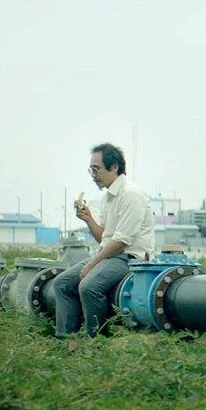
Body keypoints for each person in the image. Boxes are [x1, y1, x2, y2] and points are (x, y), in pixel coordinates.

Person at [54, 143, 154, 339]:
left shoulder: (131, 195)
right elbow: (105, 238)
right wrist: (88, 219)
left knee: (89, 286)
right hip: (111, 256)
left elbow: (122, 241)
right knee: (62, 283)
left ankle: (96, 341)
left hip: (131, 259)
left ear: (114, 167)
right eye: (91, 169)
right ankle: (68, 340)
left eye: (96, 169)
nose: (92, 174)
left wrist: (92, 264)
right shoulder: (108, 198)